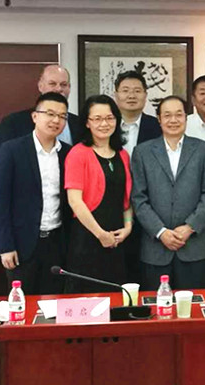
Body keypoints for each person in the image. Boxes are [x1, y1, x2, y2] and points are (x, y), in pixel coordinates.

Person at [131, 95, 205, 290]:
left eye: (179, 115)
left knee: (195, 304)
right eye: (167, 115)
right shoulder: (142, 152)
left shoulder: (204, 150)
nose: (173, 120)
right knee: (155, 305)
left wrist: (189, 227)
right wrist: (161, 232)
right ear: (159, 119)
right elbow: (138, 198)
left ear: (186, 118)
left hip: (194, 247)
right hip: (155, 249)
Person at [0, 92, 72, 294]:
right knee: (22, 304)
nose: (56, 120)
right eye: (50, 114)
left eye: (62, 116)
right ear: (35, 116)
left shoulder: (68, 153)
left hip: (56, 243)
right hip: (21, 245)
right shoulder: (12, 150)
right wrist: (5, 246)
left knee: (53, 302)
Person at [63, 95, 133, 292]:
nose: (104, 124)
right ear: (87, 122)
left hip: (117, 238)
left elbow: (126, 199)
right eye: (97, 119)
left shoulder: (123, 154)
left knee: (116, 296)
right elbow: (75, 201)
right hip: (88, 237)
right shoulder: (78, 153)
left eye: (110, 118)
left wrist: (128, 227)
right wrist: (100, 234)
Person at [113, 70, 162, 282]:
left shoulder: (158, 127)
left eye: (137, 91)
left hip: (152, 208)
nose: (131, 95)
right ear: (116, 95)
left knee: (147, 273)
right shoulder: (106, 126)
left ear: (145, 95)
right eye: (125, 90)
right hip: (114, 209)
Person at [0, 65, 82, 153]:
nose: (58, 89)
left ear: (69, 88)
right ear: (40, 86)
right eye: (52, 84)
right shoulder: (13, 123)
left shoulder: (81, 124)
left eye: (63, 85)